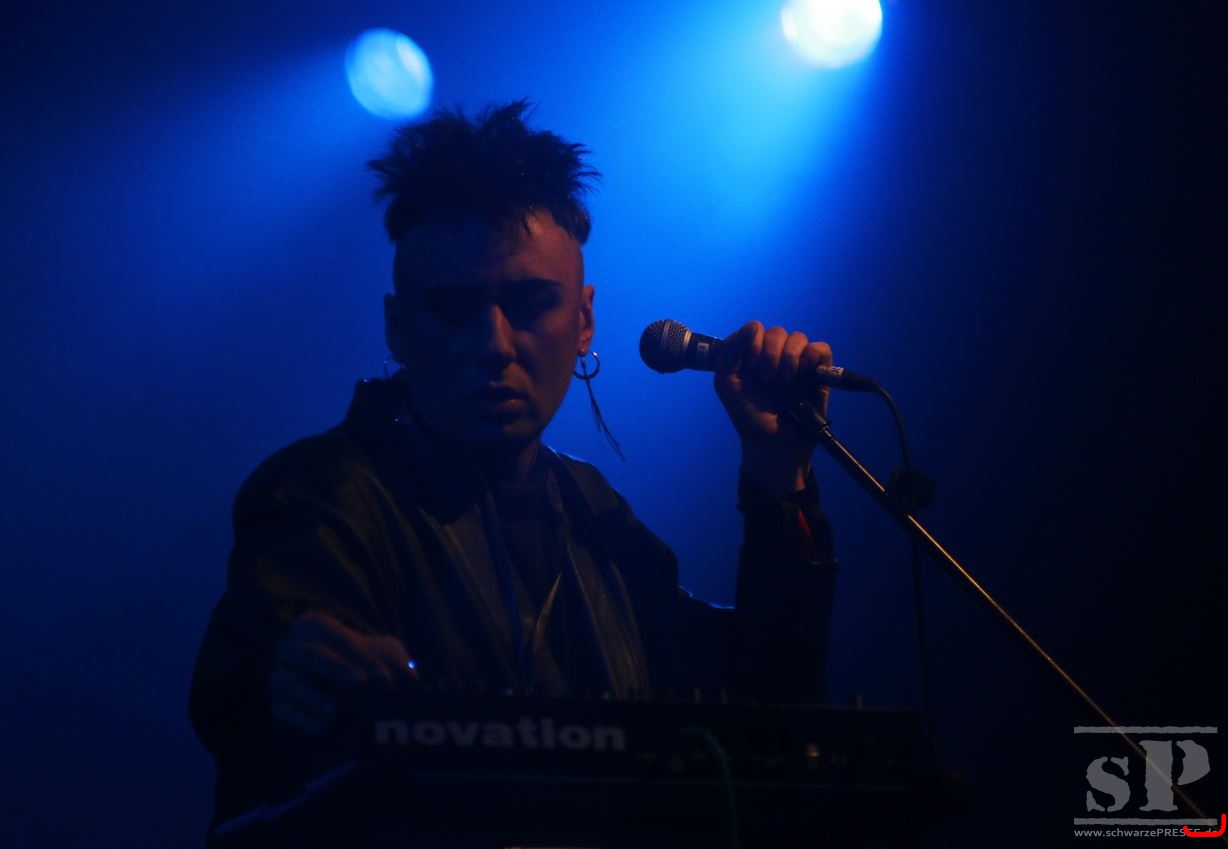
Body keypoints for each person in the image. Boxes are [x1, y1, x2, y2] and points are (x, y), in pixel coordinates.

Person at [188, 100, 839, 792]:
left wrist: (779, 478)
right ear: (397, 326)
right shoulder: (325, 497)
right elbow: (250, 688)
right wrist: (282, 675)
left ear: (584, 321)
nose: (494, 344)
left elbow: (765, 705)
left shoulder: (594, 513)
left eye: (529, 305)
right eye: (452, 308)